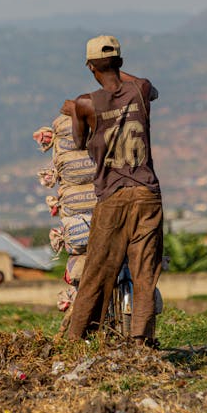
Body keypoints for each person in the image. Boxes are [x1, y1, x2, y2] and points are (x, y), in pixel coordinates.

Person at [61, 35, 162, 345]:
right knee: (145, 273)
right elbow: (149, 85)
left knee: (96, 273)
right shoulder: (141, 90)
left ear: (90, 68)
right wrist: (120, 72)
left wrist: (75, 111)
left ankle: (77, 339)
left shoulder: (85, 103)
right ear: (120, 62)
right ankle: (140, 341)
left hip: (113, 196)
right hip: (147, 193)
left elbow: (78, 143)